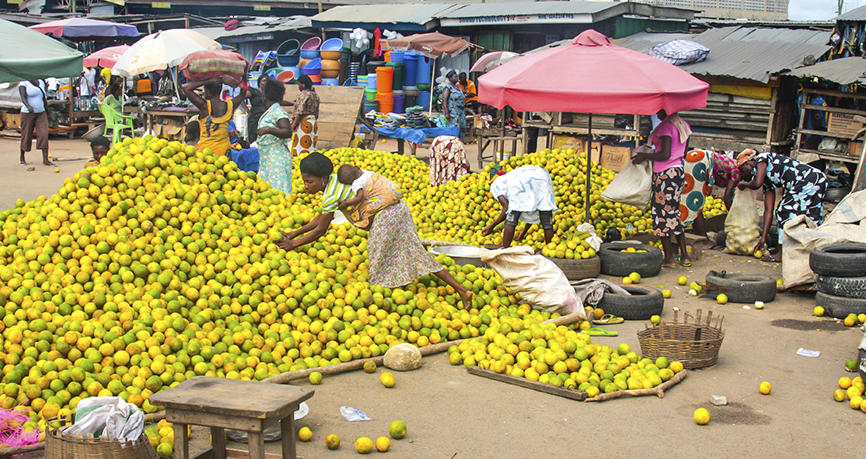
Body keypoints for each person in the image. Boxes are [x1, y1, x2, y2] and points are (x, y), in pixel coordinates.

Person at [275, 153, 474, 309]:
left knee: (378, 256)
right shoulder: (337, 181)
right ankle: (462, 290)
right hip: (399, 209)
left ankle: (384, 298)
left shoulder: (331, 194)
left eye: (309, 182)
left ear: (323, 178)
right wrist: (294, 233)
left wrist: (293, 244)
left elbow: (321, 229)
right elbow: (321, 218)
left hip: (386, 216)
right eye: (304, 181)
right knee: (414, 252)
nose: (306, 186)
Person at [735, 149, 827, 262]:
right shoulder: (767, 180)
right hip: (814, 180)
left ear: (748, 163)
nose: (744, 174)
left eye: (742, 169)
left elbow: (757, 183)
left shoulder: (761, 159)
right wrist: (763, 238)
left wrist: (744, 184)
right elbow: (769, 210)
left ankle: (782, 252)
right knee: (809, 216)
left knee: (784, 211)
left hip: (808, 179)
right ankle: (802, 250)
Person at [633, 109, 692, 268]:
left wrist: (645, 156)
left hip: (665, 174)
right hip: (678, 171)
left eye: (658, 109)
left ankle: (669, 258)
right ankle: (685, 256)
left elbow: (665, 154)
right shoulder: (682, 125)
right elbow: (683, 152)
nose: (655, 112)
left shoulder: (666, 126)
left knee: (661, 215)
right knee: (673, 212)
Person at [481, 165, 557, 247]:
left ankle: (506, 250)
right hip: (543, 176)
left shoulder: (496, 184)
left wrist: (492, 226)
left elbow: (507, 208)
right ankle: (549, 249)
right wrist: (523, 233)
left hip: (522, 182)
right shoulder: (512, 176)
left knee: (511, 218)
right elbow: (530, 207)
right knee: (546, 217)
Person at [683, 150, 742, 243]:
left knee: (694, 202)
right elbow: (727, 197)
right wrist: (734, 218)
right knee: (696, 202)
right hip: (698, 162)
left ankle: (698, 234)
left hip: (696, 158)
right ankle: (704, 239)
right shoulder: (738, 172)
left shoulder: (735, 165)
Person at [182, 75, 249, 157]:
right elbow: (244, 91)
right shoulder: (229, 105)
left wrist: (207, 81)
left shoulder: (205, 107)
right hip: (224, 151)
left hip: (207, 152)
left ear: (209, 92)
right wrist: (238, 83)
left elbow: (185, 88)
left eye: (204, 90)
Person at [255, 78, 293, 195]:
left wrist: (268, 130)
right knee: (268, 194)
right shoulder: (271, 111)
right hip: (268, 160)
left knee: (279, 194)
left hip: (276, 160)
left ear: (265, 95)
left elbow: (287, 131)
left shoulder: (278, 112)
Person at [18, 79, 53, 166]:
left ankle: (45, 159)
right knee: (26, 135)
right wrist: (28, 106)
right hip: (27, 113)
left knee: (43, 134)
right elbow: (23, 97)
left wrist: (48, 114)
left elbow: (43, 99)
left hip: (41, 112)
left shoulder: (41, 82)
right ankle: (22, 157)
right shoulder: (23, 83)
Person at [289, 75, 320, 157]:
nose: (298, 86)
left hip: (304, 124)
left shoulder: (304, 95)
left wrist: (293, 125)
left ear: (303, 84)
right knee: (311, 145)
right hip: (313, 123)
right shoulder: (315, 95)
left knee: (301, 146)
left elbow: (300, 112)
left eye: (299, 84)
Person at [440, 70, 466, 140]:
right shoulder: (447, 88)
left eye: (457, 77)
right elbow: (444, 101)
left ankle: (460, 145)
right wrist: (447, 113)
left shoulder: (458, 88)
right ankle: (454, 146)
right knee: (455, 129)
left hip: (461, 111)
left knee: (463, 128)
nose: (457, 78)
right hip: (453, 111)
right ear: (450, 78)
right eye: (455, 77)